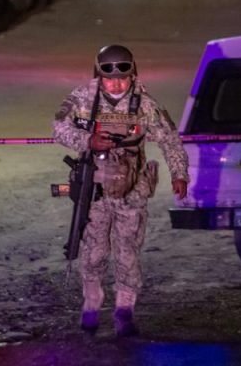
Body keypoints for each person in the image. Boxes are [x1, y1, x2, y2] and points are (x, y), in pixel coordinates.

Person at [53, 44, 189, 337]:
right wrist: (89, 140)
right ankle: (91, 303)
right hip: (96, 189)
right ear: (99, 75)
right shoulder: (83, 97)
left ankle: (124, 310)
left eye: (122, 78)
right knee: (94, 250)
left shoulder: (145, 104)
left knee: (128, 251)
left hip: (132, 190)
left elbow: (169, 140)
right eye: (109, 77)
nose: (116, 84)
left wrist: (180, 174)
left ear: (132, 74)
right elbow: (58, 129)